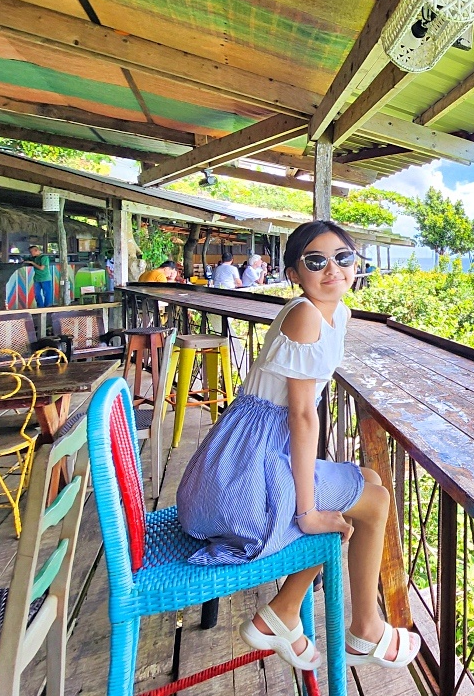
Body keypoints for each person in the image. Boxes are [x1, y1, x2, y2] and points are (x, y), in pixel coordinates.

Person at [176, 221, 420, 671]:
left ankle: (283, 612)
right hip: (242, 471)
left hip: (252, 452)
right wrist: (305, 511)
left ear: (356, 263)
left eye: (343, 258)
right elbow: (302, 415)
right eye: (316, 261)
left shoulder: (336, 313)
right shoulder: (306, 313)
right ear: (294, 272)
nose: (333, 270)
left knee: (362, 484)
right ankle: (364, 629)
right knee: (373, 500)